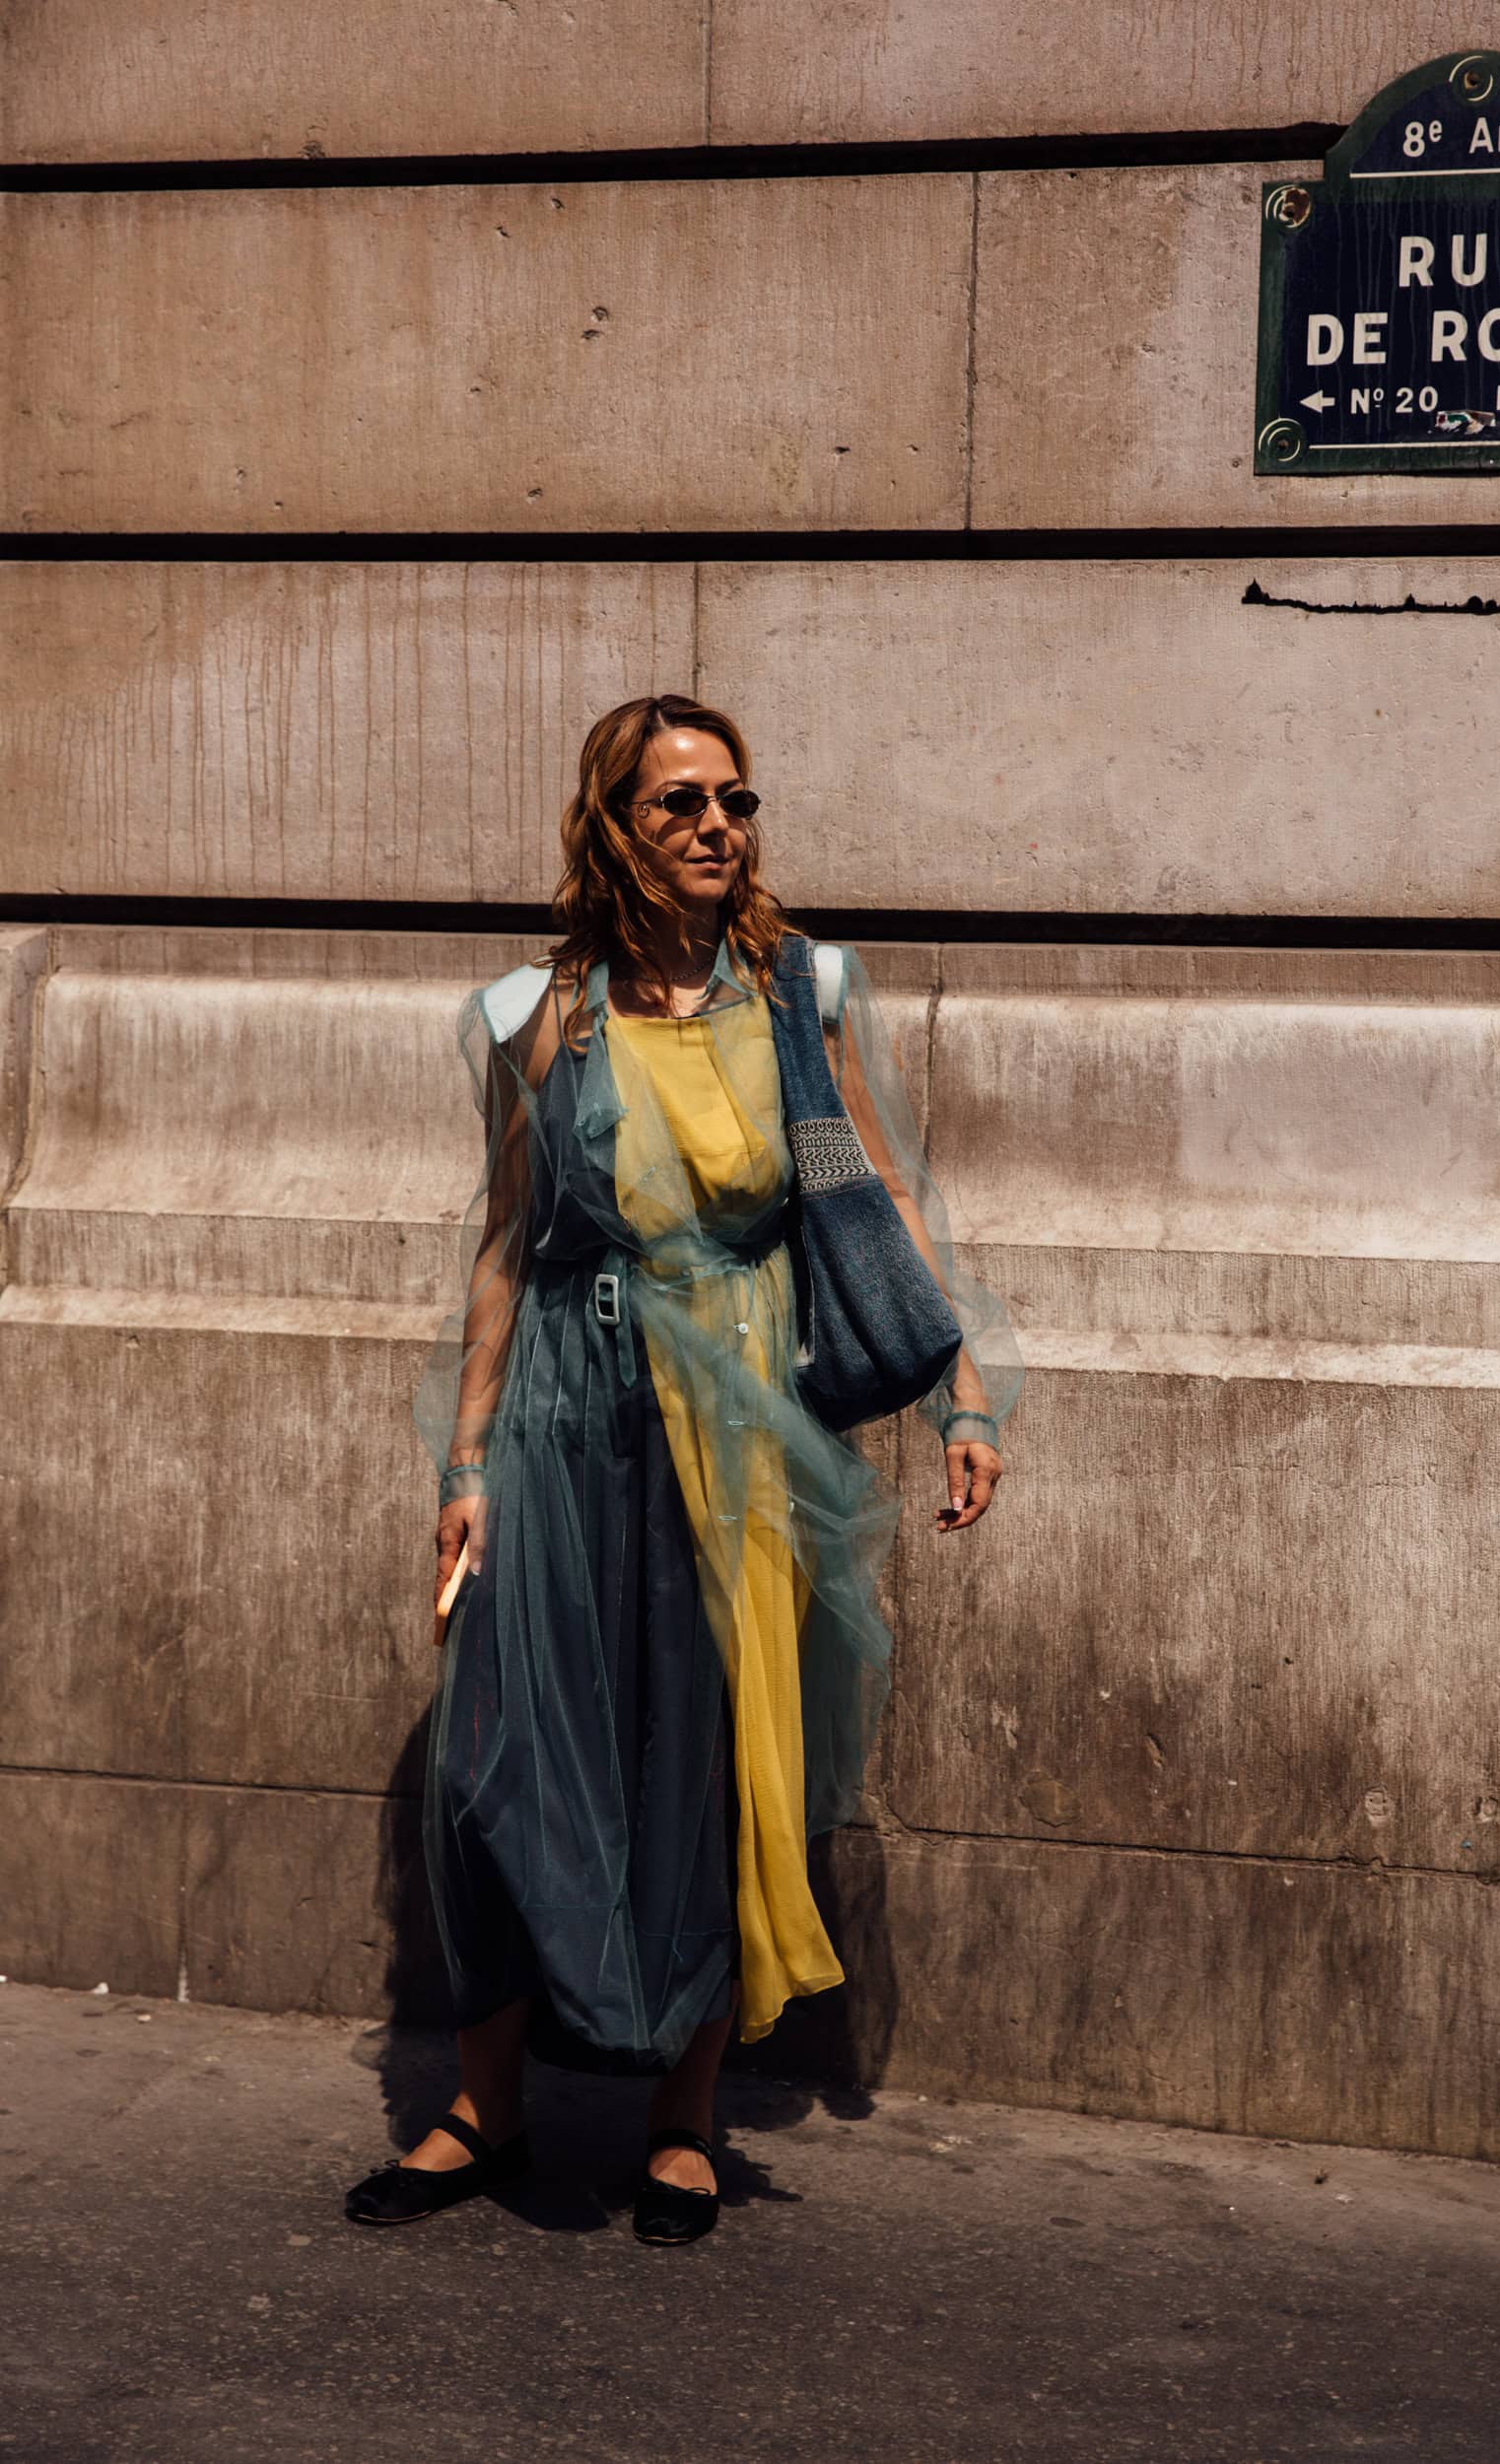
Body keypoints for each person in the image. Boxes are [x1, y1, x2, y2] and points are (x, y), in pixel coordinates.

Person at [344, 693, 1019, 2244]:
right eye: (682, 804)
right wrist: (464, 1465)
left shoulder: (795, 997)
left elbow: (864, 1197)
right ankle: (487, 2106)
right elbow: (507, 1244)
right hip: (566, 1418)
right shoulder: (538, 1015)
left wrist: (961, 1394)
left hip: (741, 1427)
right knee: (499, 1756)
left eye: (737, 801)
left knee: (710, 1758)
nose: (720, 827)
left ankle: (683, 2117)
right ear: (614, 825)